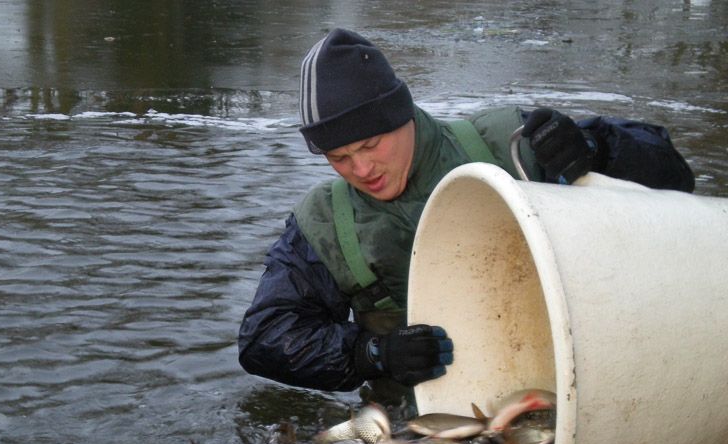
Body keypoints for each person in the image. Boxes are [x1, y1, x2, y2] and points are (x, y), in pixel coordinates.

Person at [238, 28, 694, 403]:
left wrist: (596, 150)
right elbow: (264, 338)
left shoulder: (511, 144)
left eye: (370, 145)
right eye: (338, 157)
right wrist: (369, 353)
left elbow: (676, 179)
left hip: (580, 392)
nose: (361, 170)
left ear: (403, 115)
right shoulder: (324, 224)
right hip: (430, 430)